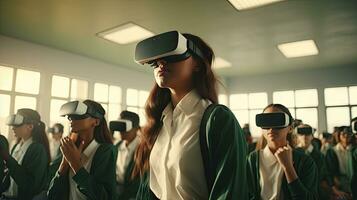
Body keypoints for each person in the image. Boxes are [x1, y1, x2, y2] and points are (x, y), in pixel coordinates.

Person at [133, 31, 248, 200]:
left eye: (173, 55)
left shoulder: (218, 119)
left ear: (198, 65)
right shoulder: (159, 121)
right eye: (156, 61)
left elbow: (230, 193)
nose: (161, 63)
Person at [47, 100, 117, 200]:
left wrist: (75, 164)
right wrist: (64, 165)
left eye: (79, 115)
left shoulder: (106, 151)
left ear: (96, 121)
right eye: (70, 116)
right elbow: (52, 195)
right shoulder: (69, 148)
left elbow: (104, 197)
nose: (71, 119)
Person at [247, 104, 318, 200]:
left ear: (291, 127)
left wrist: (288, 168)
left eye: (278, 121)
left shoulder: (305, 162)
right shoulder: (253, 159)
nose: (271, 128)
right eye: (266, 121)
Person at [0, 109, 50, 200]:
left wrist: (7, 158)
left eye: (17, 124)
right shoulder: (16, 146)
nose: (13, 128)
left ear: (30, 126)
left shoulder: (38, 149)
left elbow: (30, 185)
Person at [295, 124, 331, 199]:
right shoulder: (292, 154)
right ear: (297, 136)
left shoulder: (319, 156)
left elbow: (323, 175)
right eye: (301, 133)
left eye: (308, 133)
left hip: (316, 191)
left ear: (312, 136)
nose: (304, 136)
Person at [113, 111, 140, 200]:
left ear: (136, 128)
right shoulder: (116, 146)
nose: (121, 131)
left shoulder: (143, 149)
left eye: (125, 127)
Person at [325, 126, 355, 199]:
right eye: (343, 134)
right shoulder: (332, 151)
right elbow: (328, 171)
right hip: (339, 183)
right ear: (338, 135)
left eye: (349, 133)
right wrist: (334, 187)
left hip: (353, 181)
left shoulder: (354, 150)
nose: (346, 136)